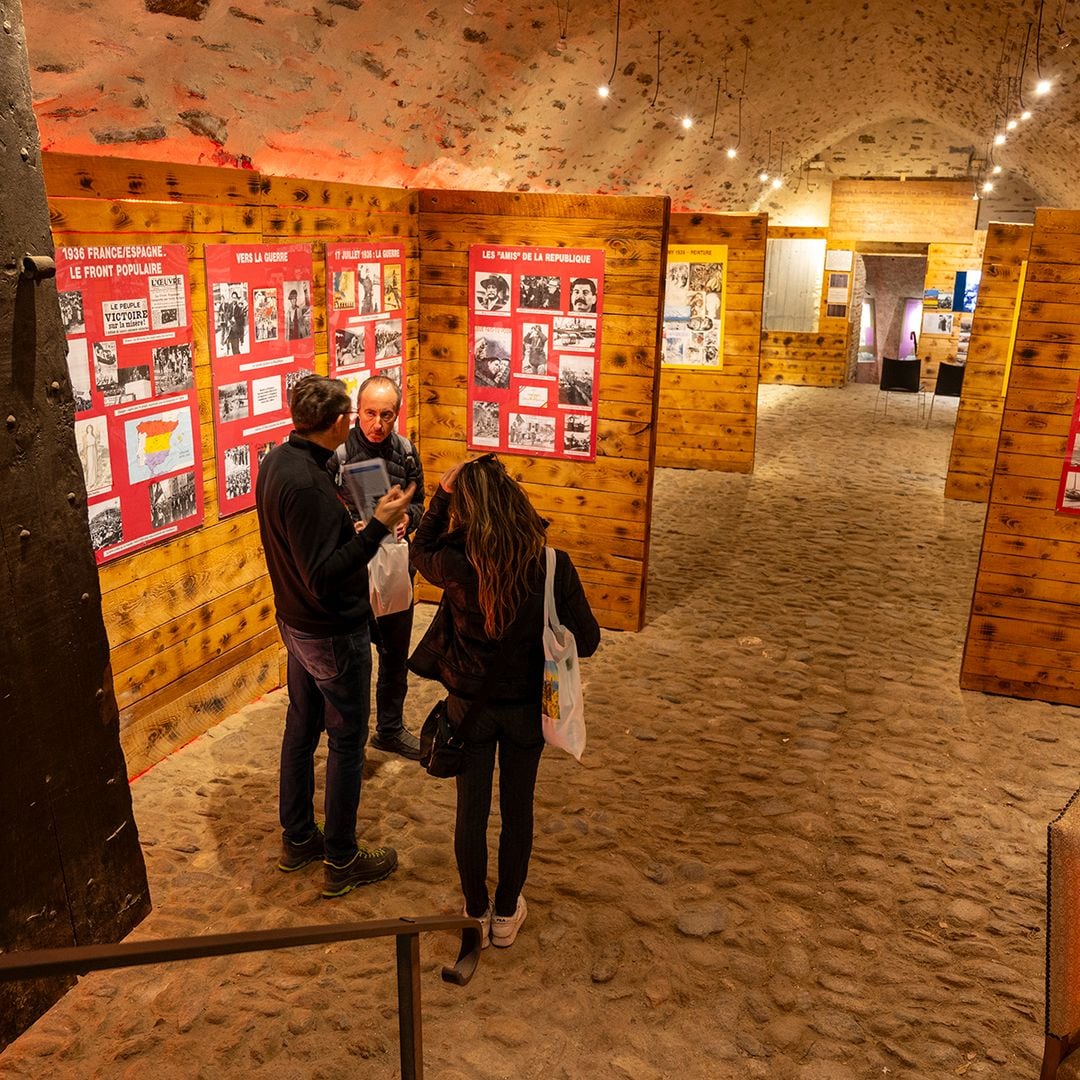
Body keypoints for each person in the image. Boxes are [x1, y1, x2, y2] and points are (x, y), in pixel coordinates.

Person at [409, 455, 600, 948]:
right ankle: (507, 912)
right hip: (524, 713)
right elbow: (590, 639)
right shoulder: (553, 565)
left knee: (470, 814)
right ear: (516, 503)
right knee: (519, 812)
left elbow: (419, 548)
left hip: (467, 709)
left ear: (467, 511)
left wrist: (442, 494)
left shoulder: (454, 563)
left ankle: (474, 910)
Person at [255, 375, 415, 898]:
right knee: (347, 742)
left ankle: (299, 837)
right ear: (337, 421)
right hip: (329, 631)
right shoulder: (307, 483)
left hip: (297, 624)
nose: (359, 422)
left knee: (300, 731)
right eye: (352, 414)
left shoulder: (279, 462)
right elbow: (325, 575)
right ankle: (342, 859)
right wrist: (375, 529)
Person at [335, 375, 426, 761]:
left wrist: (410, 519)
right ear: (358, 412)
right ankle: (346, 736)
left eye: (385, 415)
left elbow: (422, 503)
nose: (377, 424)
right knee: (352, 659)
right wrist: (351, 528)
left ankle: (389, 728)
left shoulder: (405, 452)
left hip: (393, 568)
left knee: (394, 654)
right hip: (352, 573)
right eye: (369, 414)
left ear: (396, 414)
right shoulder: (336, 455)